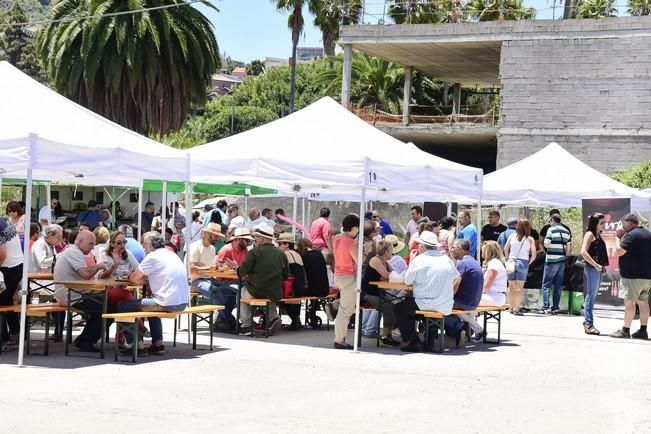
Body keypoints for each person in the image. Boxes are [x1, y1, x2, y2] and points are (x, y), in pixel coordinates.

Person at [119, 231, 190, 355]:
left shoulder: (153, 256)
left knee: (123, 306)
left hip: (166, 302)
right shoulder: (172, 254)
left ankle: (137, 346)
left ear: (150, 245)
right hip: (182, 302)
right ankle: (158, 344)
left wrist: (130, 275)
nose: (143, 247)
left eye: (144, 244)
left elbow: (134, 279)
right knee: (151, 306)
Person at [394, 231, 461, 352]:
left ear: (422, 246)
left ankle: (413, 340)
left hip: (425, 303)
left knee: (399, 308)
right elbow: (457, 277)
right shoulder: (446, 260)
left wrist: (412, 262)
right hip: (445, 303)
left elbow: (407, 281)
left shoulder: (419, 260)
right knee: (423, 306)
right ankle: (429, 341)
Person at [53, 230, 110, 352]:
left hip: (72, 294)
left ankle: (85, 339)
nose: (93, 247)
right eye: (91, 244)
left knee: (105, 305)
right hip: (71, 296)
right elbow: (85, 274)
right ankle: (85, 341)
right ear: (80, 241)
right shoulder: (74, 252)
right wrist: (98, 266)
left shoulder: (72, 251)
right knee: (108, 308)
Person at [237, 225, 289, 336]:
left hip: (257, 290)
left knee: (241, 293)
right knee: (269, 293)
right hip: (275, 291)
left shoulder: (254, 252)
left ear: (263, 238)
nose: (255, 239)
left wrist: (237, 269)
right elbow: (286, 275)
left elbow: (243, 271)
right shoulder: (281, 254)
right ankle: (273, 317)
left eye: (257, 237)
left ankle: (247, 325)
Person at [609, 213, 651, 339]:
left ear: (631, 223)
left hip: (632, 276)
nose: (622, 226)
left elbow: (619, 251)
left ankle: (625, 330)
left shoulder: (631, 235)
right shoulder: (648, 233)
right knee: (643, 302)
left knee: (629, 303)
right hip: (646, 276)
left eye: (624, 223)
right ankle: (643, 331)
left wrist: (617, 238)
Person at [361, 240, 400, 347]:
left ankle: (388, 335)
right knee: (388, 307)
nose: (392, 253)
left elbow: (393, 274)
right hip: (367, 294)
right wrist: (393, 274)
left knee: (398, 305)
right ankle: (385, 337)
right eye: (391, 250)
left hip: (378, 292)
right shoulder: (375, 260)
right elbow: (388, 276)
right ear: (386, 251)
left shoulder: (385, 262)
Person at [213, 227, 254, 330]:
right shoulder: (226, 250)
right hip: (224, 281)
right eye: (246, 240)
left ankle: (229, 319)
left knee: (248, 289)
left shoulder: (245, 251)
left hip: (239, 280)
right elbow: (217, 268)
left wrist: (237, 268)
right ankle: (226, 318)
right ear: (238, 239)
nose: (247, 242)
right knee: (236, 291)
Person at [332, 214, 360, 349]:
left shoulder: (336, 238)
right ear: (354, 228)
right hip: (349, 277)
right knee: (345, 311)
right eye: (357, 229)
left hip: (338, 275)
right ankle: (339, 339)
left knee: (343, 308)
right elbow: (359, 261)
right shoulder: (350, 241)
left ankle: (339, 338)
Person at [450, 239, 485, 341]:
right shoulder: (475, 262)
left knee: (440, 305)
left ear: (460, 249)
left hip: (464, 302)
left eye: (453, 248)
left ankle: (459, 329)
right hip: (474, 301)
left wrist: (448, 297)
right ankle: (474, 330)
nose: (451, 250)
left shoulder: (463, 264)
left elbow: (455, 285)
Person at [580, 213, 608, 335]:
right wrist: (596, 265)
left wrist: (601, 266)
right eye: (601, 223)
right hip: (592, 269)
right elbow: (583, 252)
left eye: (604, 223)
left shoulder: (598, 235)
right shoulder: (590, 234)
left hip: (597, 269)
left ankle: (588, 322)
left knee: (592, 296)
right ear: (595, 224)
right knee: (590, 296)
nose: (604, 225)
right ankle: (588, 324)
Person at [539, 214, 571, 315]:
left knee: (546, 285)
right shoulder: (566, 231)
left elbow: (546, 243)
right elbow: (569, 249)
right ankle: (555, 307)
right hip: (562, 261)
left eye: (549, 221)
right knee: (558, 285)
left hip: (551, 260)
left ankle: (545, 307)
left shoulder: (551, 230)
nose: (549, 223)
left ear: (553, 220)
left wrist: (546, 244)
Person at [190, 223, 226, 309]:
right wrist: (211, 268)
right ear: (206, 234)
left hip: (208, 279)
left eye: (218, 236)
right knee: (216, 292)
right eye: (215, 236)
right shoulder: (195, 247)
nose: (217, 239)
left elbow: (211, 267)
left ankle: (222, 319)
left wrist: (218, 267)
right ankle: (223, 319)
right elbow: (191, 270)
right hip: (193, 281)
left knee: (228, 290)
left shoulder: (212, 248)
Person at [504, 219, 536, 315]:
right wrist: (529, 263)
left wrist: (508, 258)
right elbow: (534, 254)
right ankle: (516, 309)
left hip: (511, 261)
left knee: (511, 286)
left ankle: (511, 306)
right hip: (523, 262)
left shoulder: (512, 236)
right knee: (519, 288)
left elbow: (505, 249)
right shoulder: (530, 239)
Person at [0, 218, 24, 345]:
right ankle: (15, 333)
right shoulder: (4, 221)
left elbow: (2, 254)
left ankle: (3, 337)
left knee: (2, 303)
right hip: (17, 265)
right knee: (6, 301)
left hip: (8, 267)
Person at [277, 233, 307, 330]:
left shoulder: (284, 255)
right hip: (301, 288)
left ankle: (294, 320)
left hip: (291, 289)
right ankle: (296, 320)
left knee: (281, 298)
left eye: (280, 244)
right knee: (294, 300)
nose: (278, 246)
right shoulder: (297, 254)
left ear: (286, 244)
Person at [480, 241, 508, 306]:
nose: (482, 252)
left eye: (484, 250)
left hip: (494, 297)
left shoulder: (494, 264)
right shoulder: (494, 263)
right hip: (492, 296)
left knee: (464, 300)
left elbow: (486, 287)